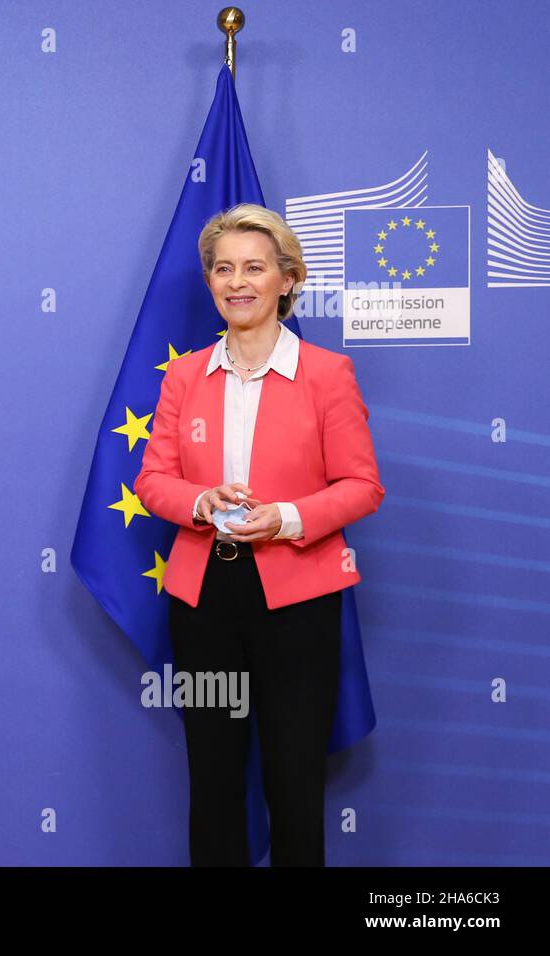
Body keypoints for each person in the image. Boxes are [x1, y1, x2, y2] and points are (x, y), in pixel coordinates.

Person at [133, 203, 384, 866]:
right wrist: (198, 499)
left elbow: (362, 486)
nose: (236, 281)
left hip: (297, 604)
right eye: (222, 268)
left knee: (293, 778)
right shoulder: (184, 375)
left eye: (253, 267)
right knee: (213, 778)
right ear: (210, 282)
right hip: (205, 601)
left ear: (287, 279)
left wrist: (288, 518)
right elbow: (153, 481)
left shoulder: (328, 375)